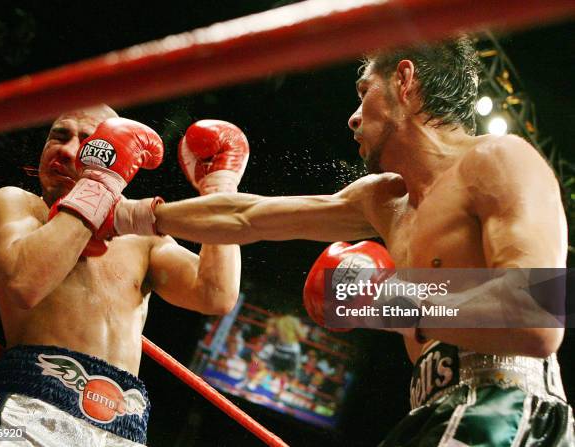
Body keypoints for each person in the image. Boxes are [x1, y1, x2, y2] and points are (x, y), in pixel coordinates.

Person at [134, 37, 573, 445]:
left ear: (404, 80)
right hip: (433, 408)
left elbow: (536, 315)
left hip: (507, 404)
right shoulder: (384, 200)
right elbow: (248, 216)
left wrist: (382, 299)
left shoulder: (498, 159)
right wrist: (128, 215)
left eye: (364, 92)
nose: (353, 115)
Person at [0, 108, 248, 446]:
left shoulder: (142, 240)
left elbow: (215, 294)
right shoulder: (17, 204)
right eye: (58, 135)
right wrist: (99, 184)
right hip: (26, 409)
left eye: (89, 141)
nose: (67, 150)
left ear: (120, 158)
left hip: (123, 429)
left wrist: (220, 191)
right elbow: (24, 284)